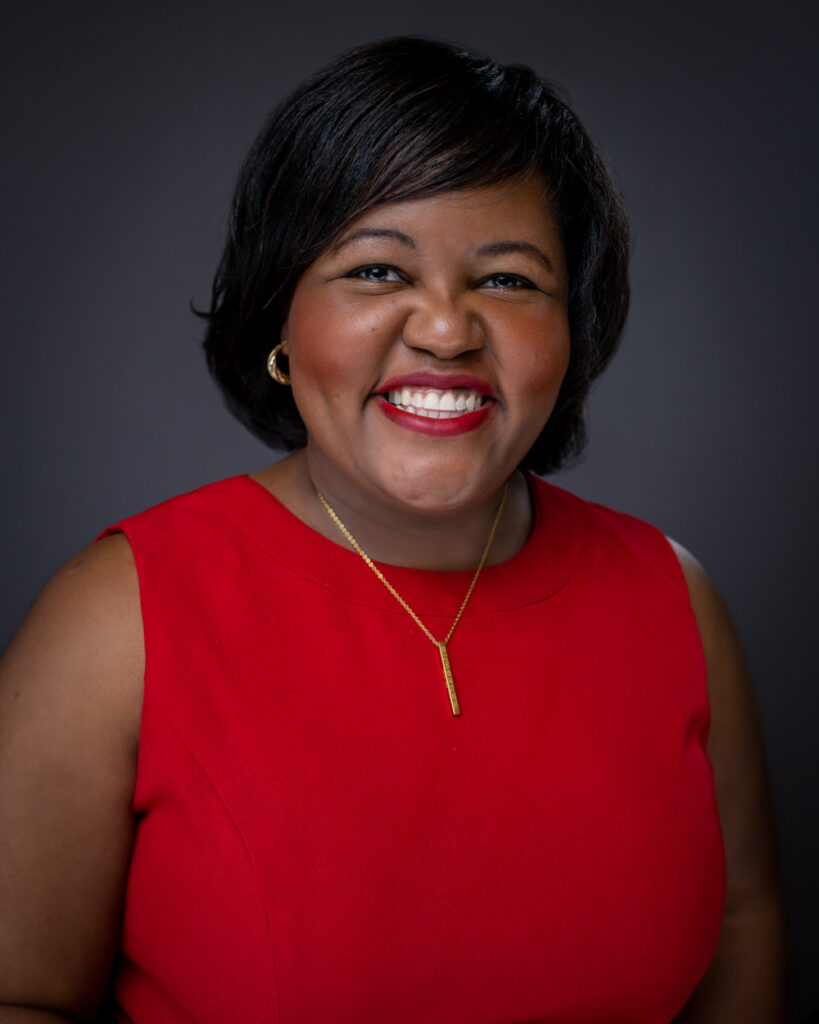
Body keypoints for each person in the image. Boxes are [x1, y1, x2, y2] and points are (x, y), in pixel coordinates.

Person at [0, 36, 785, 1024]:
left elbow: (746, 932)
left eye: (507, 281)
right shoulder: (118, 618)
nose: (447, 329)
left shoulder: (676, 597)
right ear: (279, 319)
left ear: (571, 330)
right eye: (377, 271)